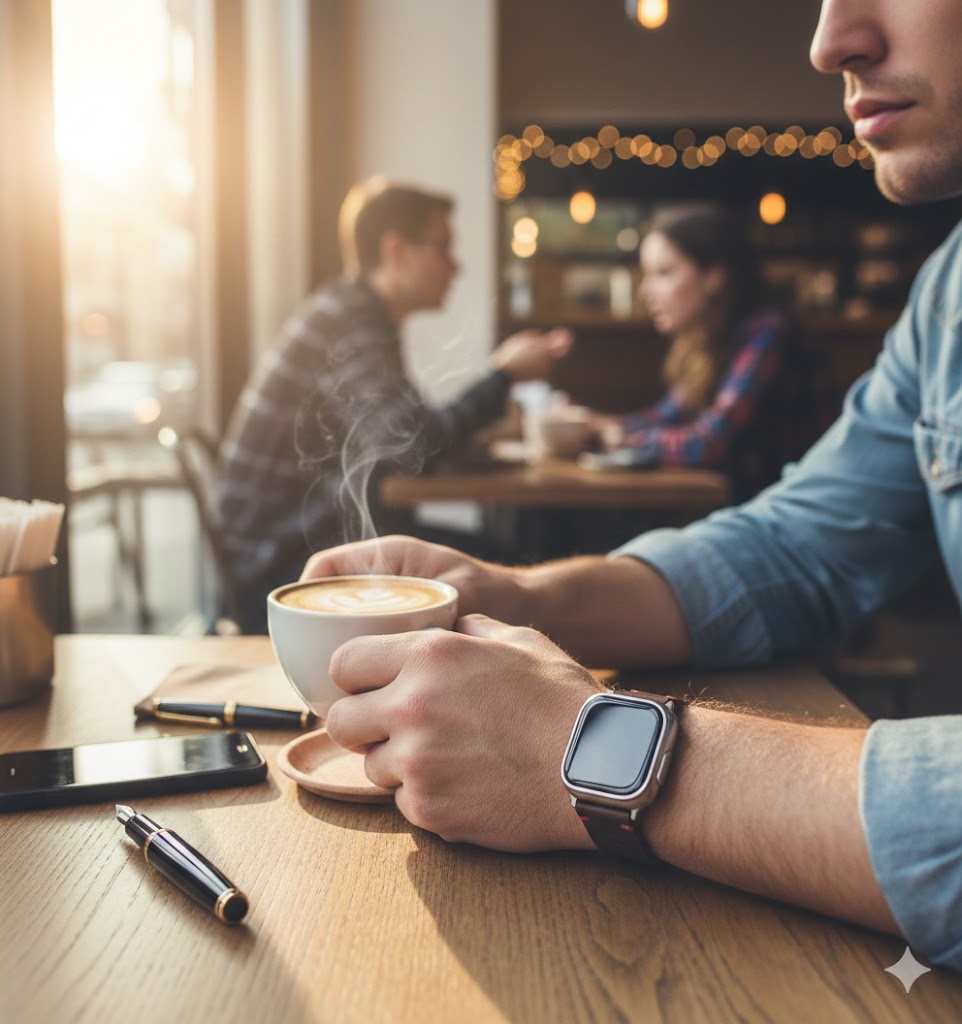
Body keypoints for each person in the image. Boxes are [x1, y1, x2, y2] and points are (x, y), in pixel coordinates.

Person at [297, 0, 962, 973]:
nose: (828, 42)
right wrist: (513, 594)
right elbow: (793, 544)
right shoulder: (945, 294)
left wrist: (592, 751)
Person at [217, 178, 571, 632]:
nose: (455, 266)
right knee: (507, 564)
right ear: (396, 251)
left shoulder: (354, 314)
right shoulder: (350, 320)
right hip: (282, 559)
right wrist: (502, 375)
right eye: (442, 247)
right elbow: (409, 444)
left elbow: (404, 436)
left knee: (500, 560)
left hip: (293, 539)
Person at [590, 203, 837, 500]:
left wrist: (623, 438)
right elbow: (670, 414)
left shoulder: (769, 332)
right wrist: (597, 424)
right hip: (754, 509)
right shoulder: (704, 341)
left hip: (801, 513)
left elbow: (710, 443)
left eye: (663, 273)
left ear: (714, 276)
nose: (646, 291)